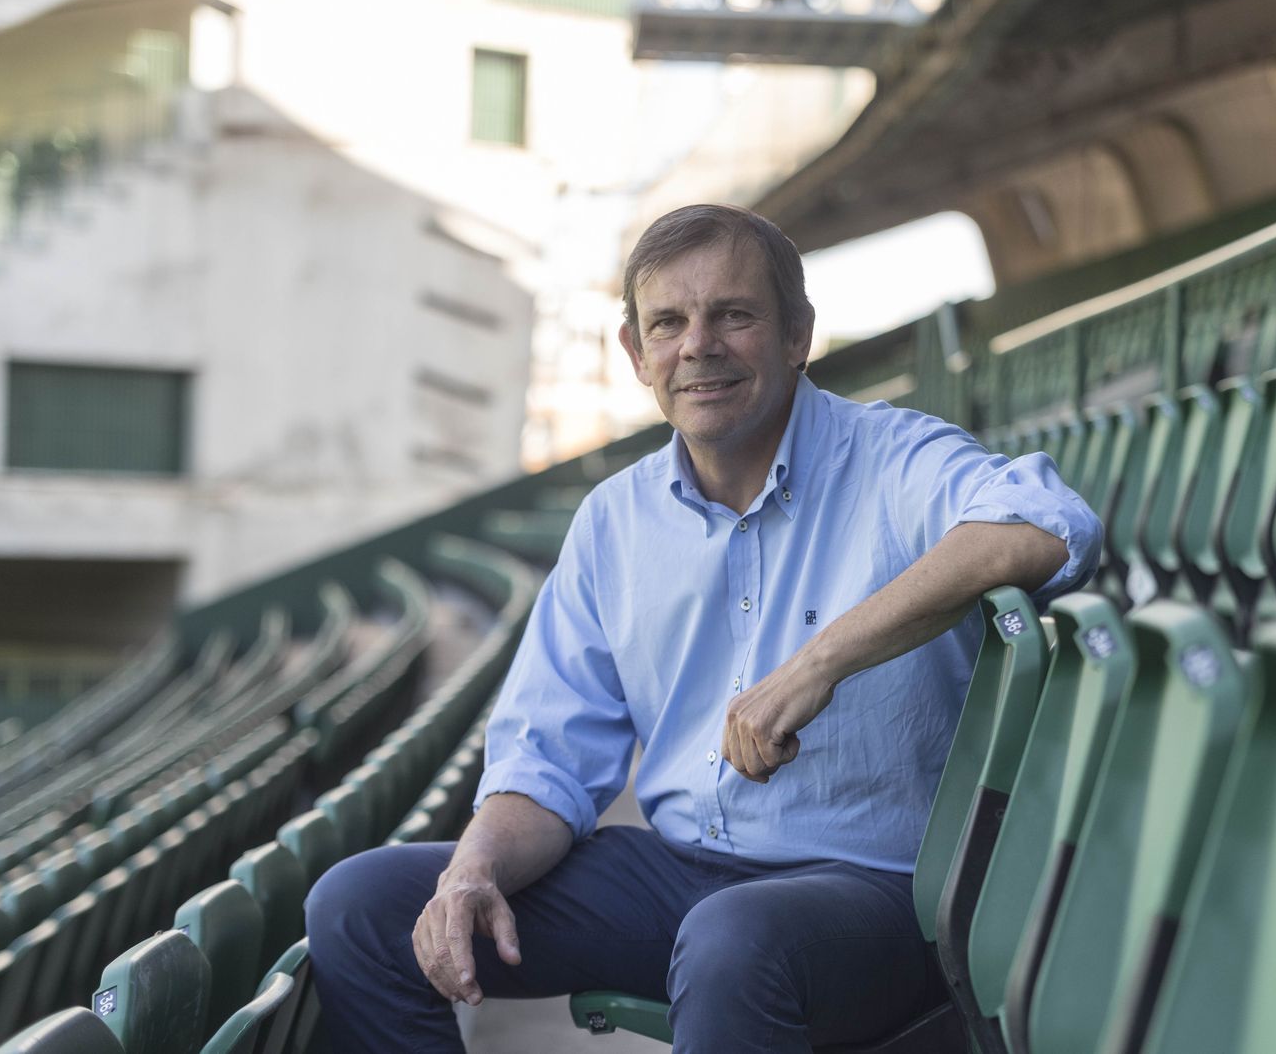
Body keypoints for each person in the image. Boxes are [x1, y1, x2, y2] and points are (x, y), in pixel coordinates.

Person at [305, 204, 1102, 1053]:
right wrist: (473, 871)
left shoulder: (893, 458)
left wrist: (822, 660)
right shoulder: (613, 522)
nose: (699, 345)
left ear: (797, 334)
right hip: (680, 878)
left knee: (733, 939)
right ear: (636, 353)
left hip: (881, 892)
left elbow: (1050, 524)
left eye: (735, 314)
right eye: (669, 323)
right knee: (362, 906)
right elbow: (546, 759)